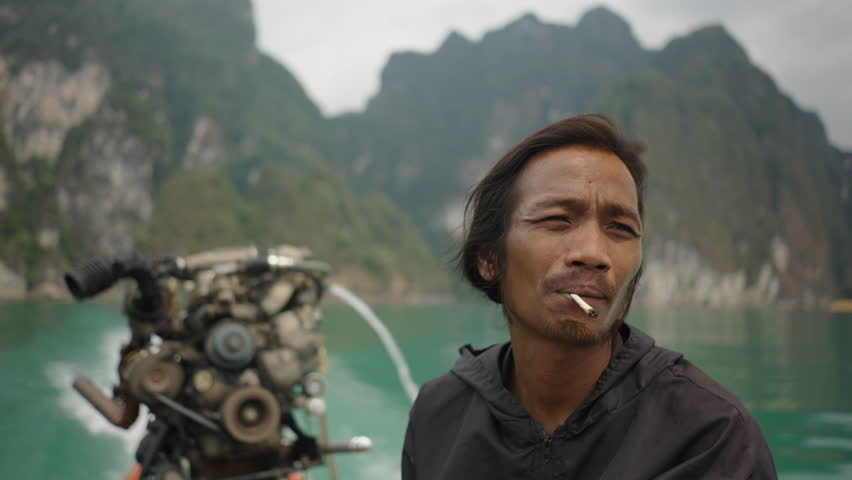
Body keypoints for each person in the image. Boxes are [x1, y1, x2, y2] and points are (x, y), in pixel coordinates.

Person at [401, 114, 777, 479]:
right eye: (557, 220)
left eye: (621, 228)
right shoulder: (439, 414)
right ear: (490, 261)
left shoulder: (709, 436)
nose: (594, 253)